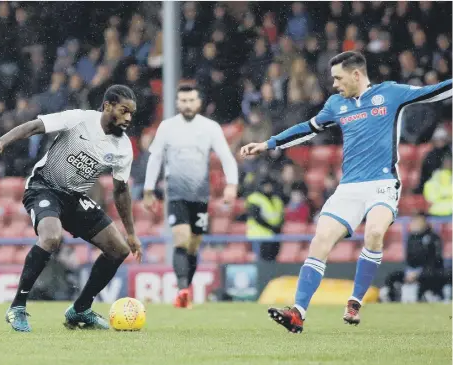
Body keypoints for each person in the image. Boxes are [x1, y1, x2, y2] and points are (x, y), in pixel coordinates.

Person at [240, 51, 452, 333]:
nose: (335, 84)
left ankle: (355, 301)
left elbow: (432, 92)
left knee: (375, 233)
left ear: (356, 74)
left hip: (382, 184)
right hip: (349, 188)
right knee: (320, 241)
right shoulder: (336, 104)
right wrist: (269, 143)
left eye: (338, 78)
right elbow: (309, 128)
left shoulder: (390, 93)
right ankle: (298, 313)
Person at [0, 85, 142, 332]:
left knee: (118, 249)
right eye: (124, 111)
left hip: (74, 198)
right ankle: (17, 307)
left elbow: (121, 191)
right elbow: (34, 126)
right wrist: (3, 142)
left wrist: (131, 233)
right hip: (43, 187)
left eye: (132, 113)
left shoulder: (123, 148)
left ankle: (80, 310)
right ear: (107, 105)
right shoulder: (79, 119)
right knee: (51, 237)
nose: (129, 118)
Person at [143, 85, 238, 308]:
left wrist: (231, 185)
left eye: (191, 100)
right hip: (175, 193)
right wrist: (148, 190)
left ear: (198, 103)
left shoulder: (210, 127)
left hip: (200, 195)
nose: (187, 104)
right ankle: (182, 289)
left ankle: (186, 289)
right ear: (177, 103)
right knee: (182, 239)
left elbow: (226, 157)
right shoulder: (167, 127)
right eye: (183, 100)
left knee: (194, 244)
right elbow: (155, 158)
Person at [380, 212, 450, 303]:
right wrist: (410, 272)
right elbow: (409, 259)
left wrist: (418, 273)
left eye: (418, 222)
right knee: (392, 276)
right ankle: (391, 295)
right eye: (414, 221)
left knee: (432, 275)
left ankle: (430, 294)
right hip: (412, 270)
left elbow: (435, 260)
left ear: (425, 223)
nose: (415, 224)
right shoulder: (411, 238)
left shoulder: (434, 238)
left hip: (429, 270)